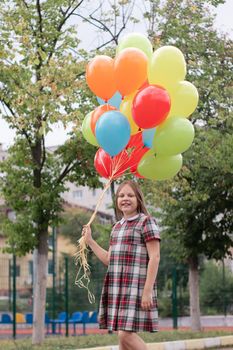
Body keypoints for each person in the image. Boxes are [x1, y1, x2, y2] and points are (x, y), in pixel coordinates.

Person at [82, 180, 160, 350]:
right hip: (118, 287)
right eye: (121, 195)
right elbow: (110, 260)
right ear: (116, 200)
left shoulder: (146, 222)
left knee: (125, 334)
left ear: (138, 199)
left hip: (137, 287)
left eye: (130, 195)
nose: (125, 199)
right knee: (122, 337)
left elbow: (155, 257)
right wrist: (90, 241)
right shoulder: (117, 227)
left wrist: (147, 291)